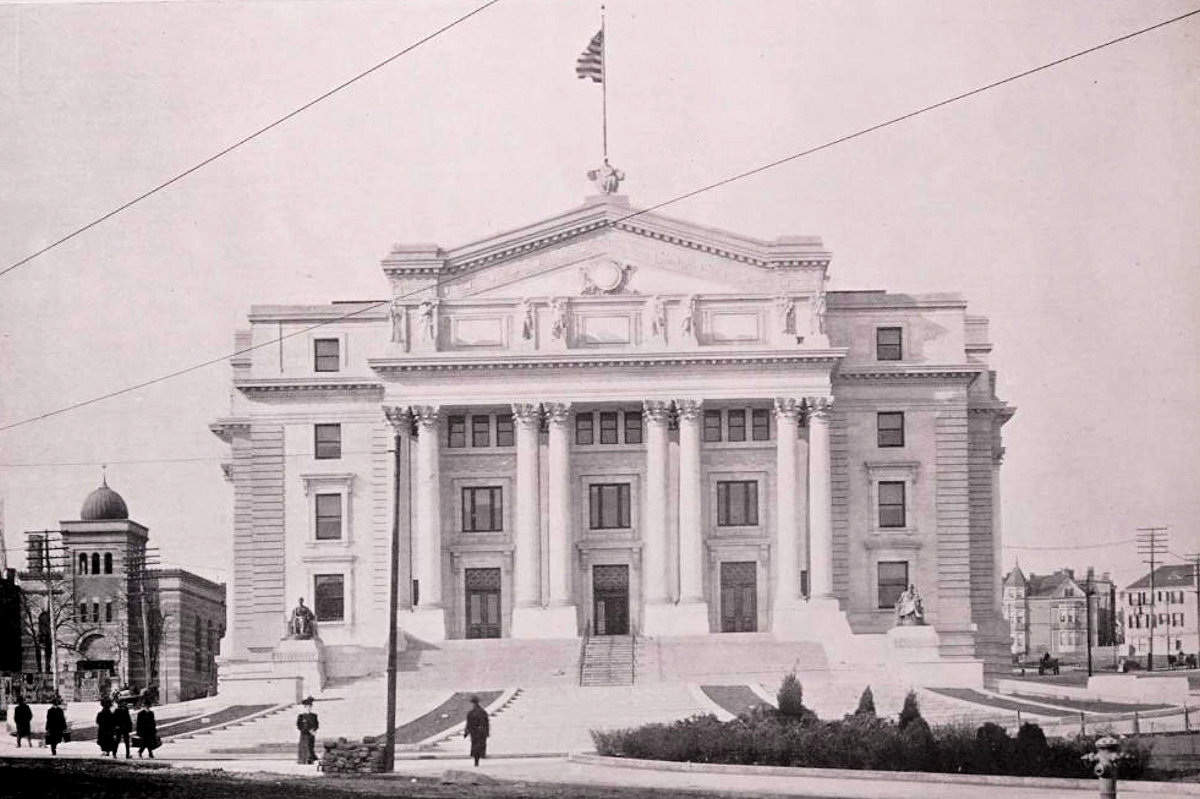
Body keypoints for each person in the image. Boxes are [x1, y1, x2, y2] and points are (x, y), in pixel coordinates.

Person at [463, 695, 490, 767]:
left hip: (475, 732)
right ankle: (478, 760)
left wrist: (466, 732)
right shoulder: (483, 712)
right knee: (479, 746)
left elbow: (468, 723)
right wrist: (486, 732)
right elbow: (486, 723)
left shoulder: (471, 712)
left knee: (475, 746)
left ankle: (476, 761)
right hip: (480, 732)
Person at [296, 696, 319, 765]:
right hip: (304, 734)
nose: (309, 708)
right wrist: (306, 730)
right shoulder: (301, 716)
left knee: (311, 746)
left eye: (310, 707)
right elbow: (299, 726)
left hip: (311, 734)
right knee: (304, 746)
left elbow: (316, 724)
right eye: (307, 707)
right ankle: (303, 760)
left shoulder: (314, 715)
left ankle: (310, 759)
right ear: (305, 707)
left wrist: (314, 730)